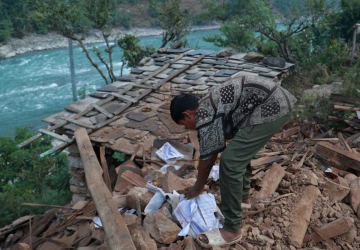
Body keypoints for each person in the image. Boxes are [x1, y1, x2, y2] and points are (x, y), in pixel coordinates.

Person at [170, 75, 297, 248]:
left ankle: (232, 230)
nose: (188, 128)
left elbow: (208, 158)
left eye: (185, 124)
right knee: (236, 153)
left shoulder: (205, 113)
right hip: (274, 101)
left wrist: (198, 187)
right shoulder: (207, 103)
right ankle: (242, 199)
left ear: (187, 114)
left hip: (273, 106)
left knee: (230, 161)